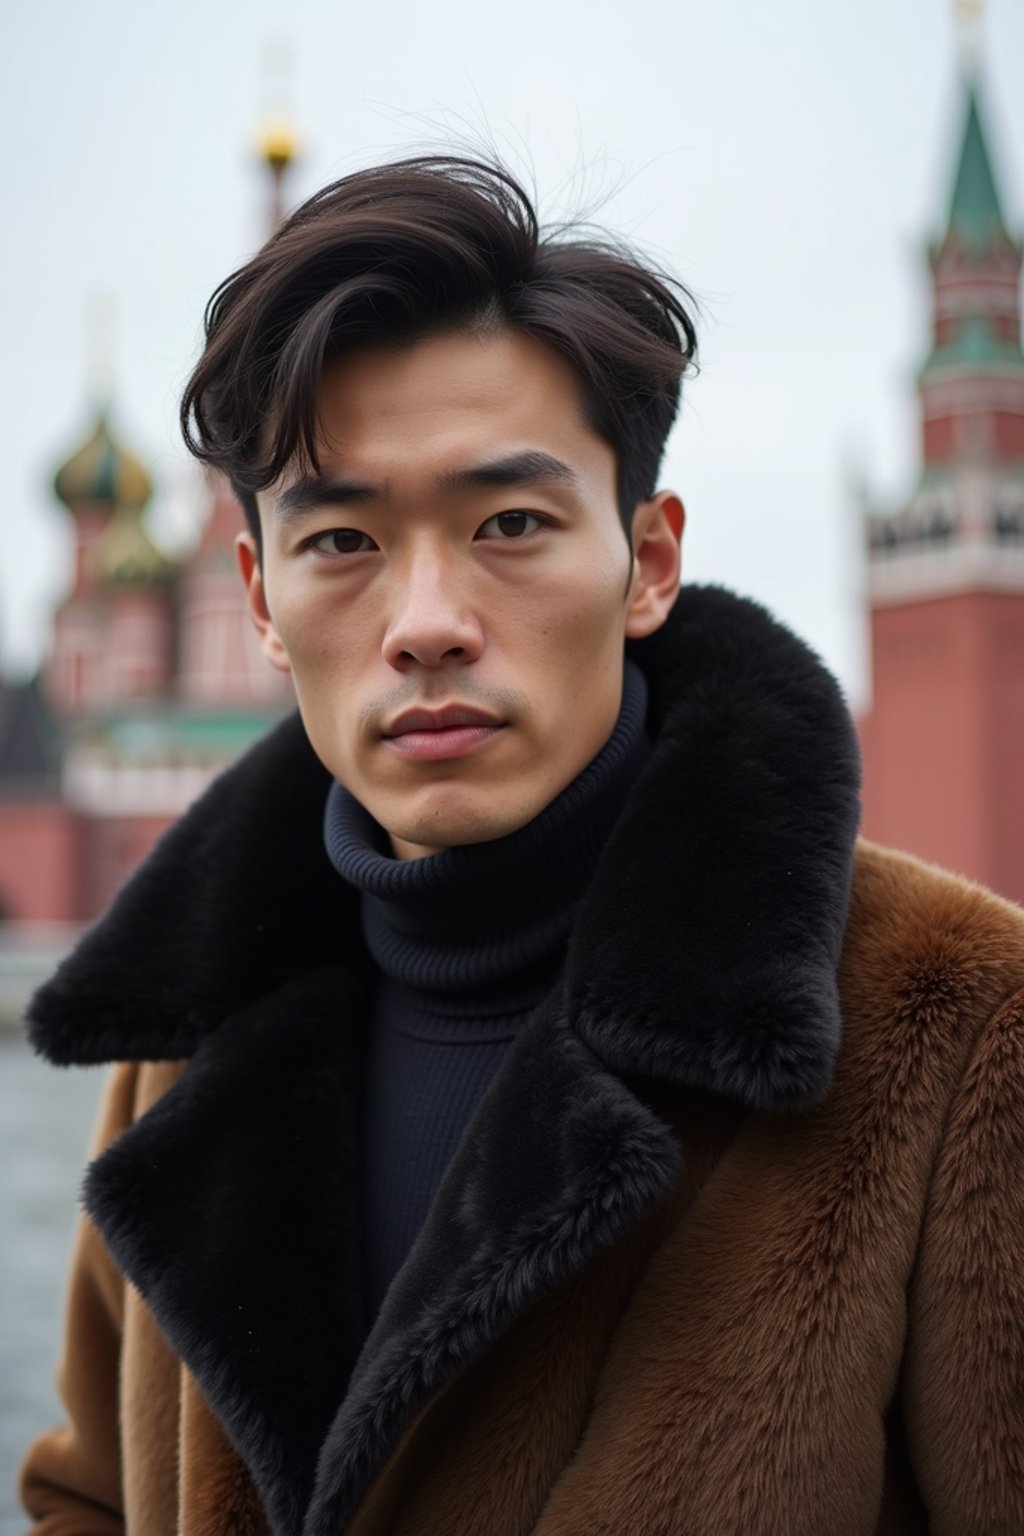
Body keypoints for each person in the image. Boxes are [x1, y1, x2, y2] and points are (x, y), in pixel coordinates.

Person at [20, 157, 1024, 1536]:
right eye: (344, 539)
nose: (426, 618)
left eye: (509, 524)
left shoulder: (958, 1025)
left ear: (649, 560)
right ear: (257, 598)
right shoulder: (190, 1047)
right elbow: (86, 1497)